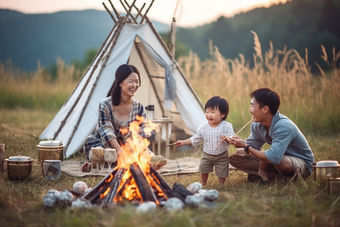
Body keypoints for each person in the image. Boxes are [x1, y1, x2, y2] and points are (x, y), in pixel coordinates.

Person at [82, 64, 167, 172]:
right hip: (105, 143)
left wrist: (142, 150)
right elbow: (106, 130)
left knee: (139, 153)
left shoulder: (139, 107)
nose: (135, 85)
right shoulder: (105, 104)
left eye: (137, 81)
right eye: (131, 81)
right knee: (102, 153)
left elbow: (142, 133)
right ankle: (95, 164)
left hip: (127, 144)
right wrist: (118, 149)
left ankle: (150, 160)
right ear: (120, 83)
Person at [229, 88, 315, 183]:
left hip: (300, 163)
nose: (250, 110)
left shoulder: (284, 126)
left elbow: (274, 157)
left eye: (253, 106)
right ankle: (273, 175)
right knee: (235, 158)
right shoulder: (257, 124)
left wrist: (246, 146)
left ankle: (269, 176)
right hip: (276, 158)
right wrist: (235, 142)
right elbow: (252, 147)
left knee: (279, 161)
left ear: (265, 109)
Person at [175, 96, 234, 185]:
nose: (209, 115)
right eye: (207, 112)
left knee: (222, 170)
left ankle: (221, 184)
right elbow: (195, 139)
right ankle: (203, 183)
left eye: (213, 112)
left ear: (222, 114)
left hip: (222, 154)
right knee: (203, 169)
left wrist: (227, 139)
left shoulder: (227, 126)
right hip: (207, 154)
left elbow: (231, 138)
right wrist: (183, 142)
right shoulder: (203, 127)